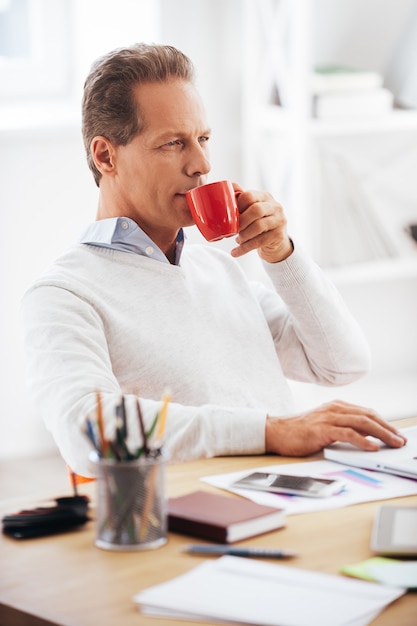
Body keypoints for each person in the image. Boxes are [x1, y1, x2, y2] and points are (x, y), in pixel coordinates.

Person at [21, 43, 406, 478]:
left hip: (287, 494)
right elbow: (89, 432)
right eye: (173, 143)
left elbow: (342, 364)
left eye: (203, 139)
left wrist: (282, 255)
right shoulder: (63, 295)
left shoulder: (219, 271)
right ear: (106, 156)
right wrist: (270, 431)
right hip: (185, 522)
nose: (202, 164)